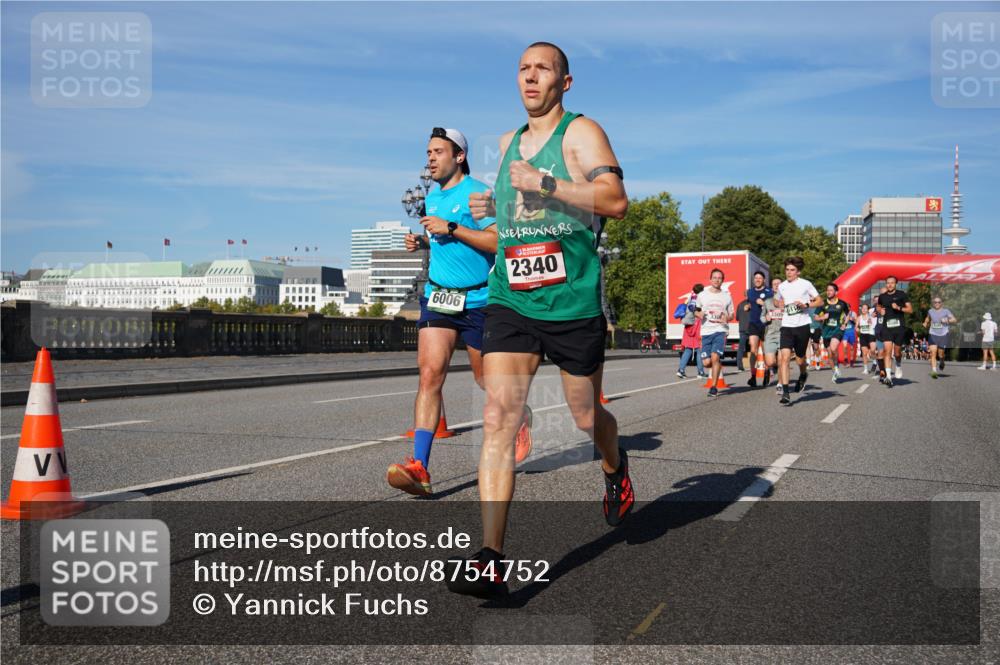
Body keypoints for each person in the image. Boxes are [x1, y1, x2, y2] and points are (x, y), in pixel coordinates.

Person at [448, 42, 630, 599]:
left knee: (584, 417)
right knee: (500, 414)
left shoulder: (581, 133)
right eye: (523, 69)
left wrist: (544, 184)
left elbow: (616, 200)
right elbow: (512, 230)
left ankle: (614, 464)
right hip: (512, 298)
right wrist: (490, 213)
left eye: (543, 68)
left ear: (565, 82)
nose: (531, 77)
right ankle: (490, 557)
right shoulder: (505, 146)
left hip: (572, 303)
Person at [387, 127, 533, 496]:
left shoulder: (478, 194)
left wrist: (451, 227)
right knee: (429, 375)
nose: (430, 159)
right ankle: (420, 466)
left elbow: (497, 240)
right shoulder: (433, 197)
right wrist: (423, 240)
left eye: (438, 152)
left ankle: (520, 417)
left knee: (488, 382)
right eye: (428, 152)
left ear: (459, 156)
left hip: (480, 301)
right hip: (439, 298)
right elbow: (445, 245)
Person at [776, 256, 823, 405]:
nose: (789, 272)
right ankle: (785, 392)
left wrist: (806, 305)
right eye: (787, 270)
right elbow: (777, 300)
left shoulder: (805, 284)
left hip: (802, 325)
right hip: (786, 326)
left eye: (792, 270)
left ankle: (803, 373)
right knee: (784, 358)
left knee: (800, 359)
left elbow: (819, 300)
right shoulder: (782, 286)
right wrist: (779, 303)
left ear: (798, 272)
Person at [697, 268, 734, 398]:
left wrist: (727, 318)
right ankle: (717, 365)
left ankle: (713, 387)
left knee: (715, 358)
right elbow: (695, 310)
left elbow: (731, 314)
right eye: (714, 277)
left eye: (719, 278)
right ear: (710, 279)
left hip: (721, 330)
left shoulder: (726, 296)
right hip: (706, 331)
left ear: (722, 280)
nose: (717, 280)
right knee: (707, 363)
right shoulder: (702, 295)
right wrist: (699, 314)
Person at [875, 276, 912, 388]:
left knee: (897, 353)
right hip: (887, 328)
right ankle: (888, 377)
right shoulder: (882, 296)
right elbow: (878, 306)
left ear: (896, 284)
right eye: (888, 283)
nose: (890, 285)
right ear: (886, 284)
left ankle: (899, 365)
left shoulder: (902, 295)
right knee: (887, 351)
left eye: (892, 283)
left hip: (899, 327)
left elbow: (910, 310)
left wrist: (898, 308)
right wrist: (880, 310)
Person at [815, 283, 851, 383]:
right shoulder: (823, 304)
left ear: (836, 292)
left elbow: (848, 314)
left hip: (837, 329)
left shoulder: (842, 303)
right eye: (827, 290)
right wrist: (823, 317)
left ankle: (836, 368)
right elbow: (816, 317)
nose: (828, 292)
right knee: (830, 353)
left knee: (834, 348)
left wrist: (845, 323)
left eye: (831, 290)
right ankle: (835, 370)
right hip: (826, 331)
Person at [745, 270, 772, 387]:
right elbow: (749, 303)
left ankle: (766, 373)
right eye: (755, 278)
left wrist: (764, 304)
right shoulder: (750, 292)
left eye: (760, 278)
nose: (757, 280)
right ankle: (753, 376)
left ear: (764, 280)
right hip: (754, 323)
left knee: (766, 351)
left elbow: (773, 306)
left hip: (766, 324)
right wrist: (747, 306)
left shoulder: (769, 292)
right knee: (753, 349)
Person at [677, 283, 707, 379]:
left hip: (688, 326)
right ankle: (700, 372)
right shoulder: (700, 299)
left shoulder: (690, 298)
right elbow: (700, 313)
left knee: (688, 349)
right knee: (699, 349)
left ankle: (681, 370)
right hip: (697, 325)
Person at [761, 278, 785, 391]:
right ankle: (773, 369)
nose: (776, 285)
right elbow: (761, 317)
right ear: (772, 287)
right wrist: (765, 318)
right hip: (770, 334)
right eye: (774, 284)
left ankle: (780, 383)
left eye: (778, 284)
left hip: (784, 333)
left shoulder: (787, 300)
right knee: (770, 362)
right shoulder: (767, 301)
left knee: (782, 361)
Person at [857, 302, 878, 374]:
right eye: (862, 308)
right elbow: (856, 327)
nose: (864, 310)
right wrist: (857, 329)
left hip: (871, 334)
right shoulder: (859, 318)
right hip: (863, 335)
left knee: (872, 350)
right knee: (864, 353)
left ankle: (875, 361)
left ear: (868, 310)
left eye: (865, 308)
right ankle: (865, 369)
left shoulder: (871, 316)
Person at [736, 298, 752, 372]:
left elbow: (737, 318)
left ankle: (740, 366)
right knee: (754, 348)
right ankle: (755, 364)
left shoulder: (740, 304)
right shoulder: (753, 304)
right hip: (752, 328)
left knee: (741, 348)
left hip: (742, 328)